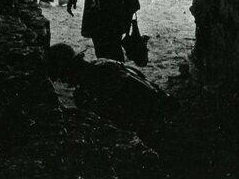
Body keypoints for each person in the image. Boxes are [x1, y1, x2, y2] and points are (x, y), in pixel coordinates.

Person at [46, 43, 174, 129]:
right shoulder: (99, 64)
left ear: (70, 69)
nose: (65, 81)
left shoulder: (100, 78)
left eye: (63, 76)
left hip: (154, 116)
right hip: (156, 107)